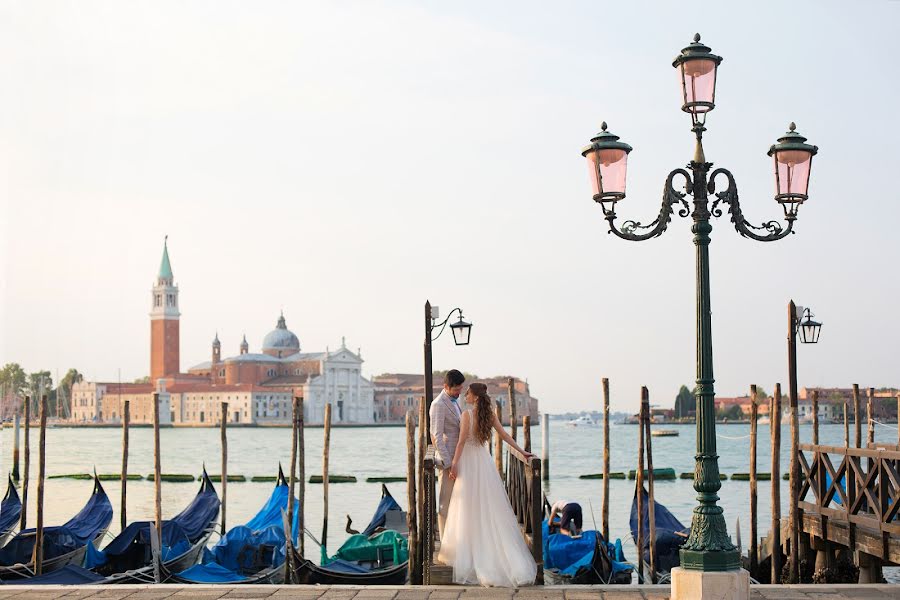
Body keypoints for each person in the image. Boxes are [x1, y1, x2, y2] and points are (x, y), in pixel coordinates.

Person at [437, 382, 537, 586]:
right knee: (488, 507)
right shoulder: (488, 415)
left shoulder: (467, 415)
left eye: (468, 393)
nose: (465, 396)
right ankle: (489, 550)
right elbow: (505, 435)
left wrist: (454, 464)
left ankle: (469, 552)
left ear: (474, 396)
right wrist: (522, 450)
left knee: (466, 507)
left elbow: (461, 442)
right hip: (483, 461)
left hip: (467, 462)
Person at [429, 369, 465, 537]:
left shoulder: (455, 401)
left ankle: (456, 537)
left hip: (458, 459)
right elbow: (436, 436)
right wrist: (449, 463)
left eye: (460, 388)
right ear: (446, 386)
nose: (459, 392)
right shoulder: (438, 404)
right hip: (447, 461)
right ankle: (444, 541)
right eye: (456, 389)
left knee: (457, 501)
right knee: (445, 503)